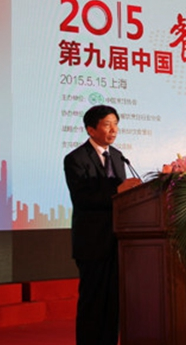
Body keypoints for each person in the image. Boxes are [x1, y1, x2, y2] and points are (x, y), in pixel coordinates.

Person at [63, 104, 126, 345]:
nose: (114, 130)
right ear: (91, 129)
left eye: (116, 124)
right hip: (92, 243)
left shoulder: (118, 157)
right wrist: (118, 190)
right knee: (92, 302)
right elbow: (82, 198)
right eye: (107, 125)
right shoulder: (75, 159)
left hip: (117, 242)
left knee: (113, 303)